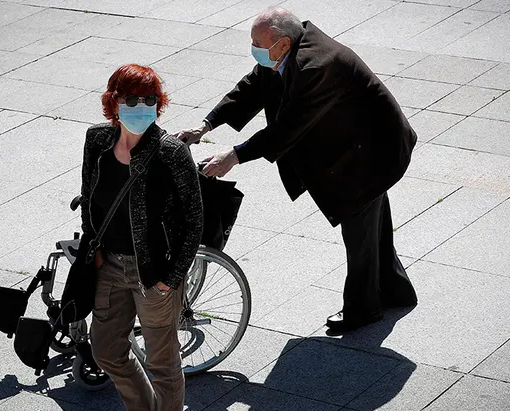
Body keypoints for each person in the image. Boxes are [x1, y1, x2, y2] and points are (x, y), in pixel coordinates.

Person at [174, 8, 417, 333]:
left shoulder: (316, 66)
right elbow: (252, 85)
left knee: (359, 230)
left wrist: (233, 155)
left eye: (257, 42)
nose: (253, 47)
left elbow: (286, 129)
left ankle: (364, 309)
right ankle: (397, 290)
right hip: (358, 142)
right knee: (373, 223)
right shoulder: (287, 50)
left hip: (371, 153)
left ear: (282, 43)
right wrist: (205, 126)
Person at [81, 64, 203, 411]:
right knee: (105, 350)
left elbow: (194, 222)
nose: (141, 106)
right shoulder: (98, 139)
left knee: (163, 366)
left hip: (154, 275)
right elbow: (89, 197)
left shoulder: (171, 152)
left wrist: (170, 278)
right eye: (131, 99)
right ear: (113, 103)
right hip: (109, 266)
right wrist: (95, 246)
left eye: (150, 99)